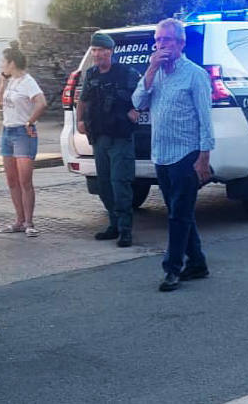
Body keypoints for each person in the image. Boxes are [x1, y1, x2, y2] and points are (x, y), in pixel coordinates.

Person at [132, 18, 214, 292]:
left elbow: (205, 119)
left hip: (186, 154)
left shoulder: (195, 75)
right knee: (180, 212)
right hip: (161, 154)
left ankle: (172, 268)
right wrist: (151, 70)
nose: (160, 44)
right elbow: (137, 103)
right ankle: (198, 263)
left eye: (166, 39)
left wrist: (204, 157)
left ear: (180, 43)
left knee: (178, 215)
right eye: (157, 39)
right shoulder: (154, 73)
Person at [76, 32, 140, 247]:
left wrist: (137, 110)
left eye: (101, 50)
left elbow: (144, 93)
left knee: (120, 183)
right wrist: (80, 121)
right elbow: (83, 101)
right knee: (104, 185)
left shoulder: (126, 73)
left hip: (120, 137)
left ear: (110, 52)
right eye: (94, 50)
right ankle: (113, 224)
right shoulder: (92, 74)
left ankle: (125, 230)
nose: (97, 54)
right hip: (100, 137)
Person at [0, 41, 47, 237]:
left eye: (3, 62)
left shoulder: (27, 81)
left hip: (22, 134)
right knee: (12, 180)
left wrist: (30, 122)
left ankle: (29, 222)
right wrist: (1, 84)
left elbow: (41, 103)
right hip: (7, 132)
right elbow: (0, 105)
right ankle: (18, 220)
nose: (1, 65)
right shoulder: (12, 81)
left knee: (25, 180)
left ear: (12, 63)